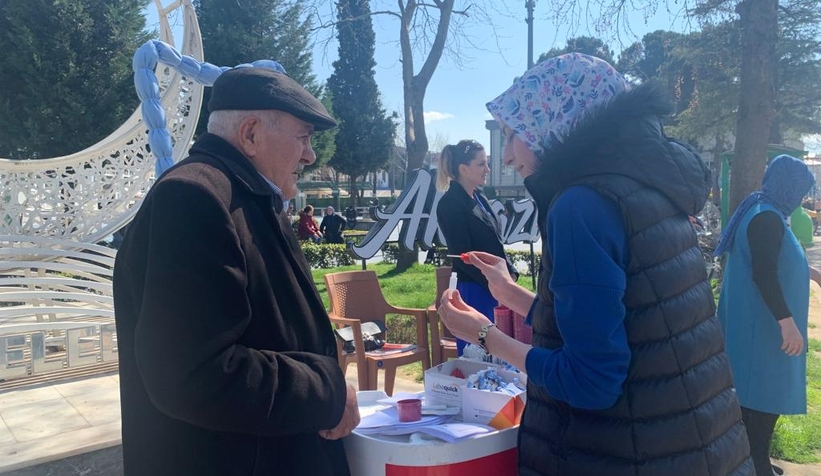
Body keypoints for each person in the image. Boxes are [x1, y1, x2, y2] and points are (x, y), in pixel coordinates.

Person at [437, 53, 754, 475]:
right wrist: (510, 292)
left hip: (622, 451)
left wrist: (483, 335)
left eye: (514, 134)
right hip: (693, 443)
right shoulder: (646, 188)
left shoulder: (580, 206)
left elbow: (590, 380)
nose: (508, 156)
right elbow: (633, 321)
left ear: (555, 123)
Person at [113, 67, 359, 476]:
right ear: (250, 134)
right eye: (304, 137)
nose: (310, 155)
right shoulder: (194, 198)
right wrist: (326, 391)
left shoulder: (249, 196)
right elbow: (195, 374)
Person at [715, 154, 821, 476]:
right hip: (760, 337)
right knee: (758, 411)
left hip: (758, 332)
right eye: (801, 191)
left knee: (758, 411)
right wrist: (788, 325)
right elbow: (763, 273)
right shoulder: (766, 218)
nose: (802, 198)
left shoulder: (764, 210)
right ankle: (754, 466)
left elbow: (771, 260)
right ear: (788, 186)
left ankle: (754, 461)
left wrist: (811, 271)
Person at [435, 139, 518, 355]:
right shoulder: (450, 203)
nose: (487, 170)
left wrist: (509, 273)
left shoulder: (480, 197)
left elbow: (495, 243)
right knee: (479, 358)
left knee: (503, 357)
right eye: (481, 164)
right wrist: (496, 284)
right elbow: (463, 256)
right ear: (463, 168)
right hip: (474, 290)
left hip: (496, 287)